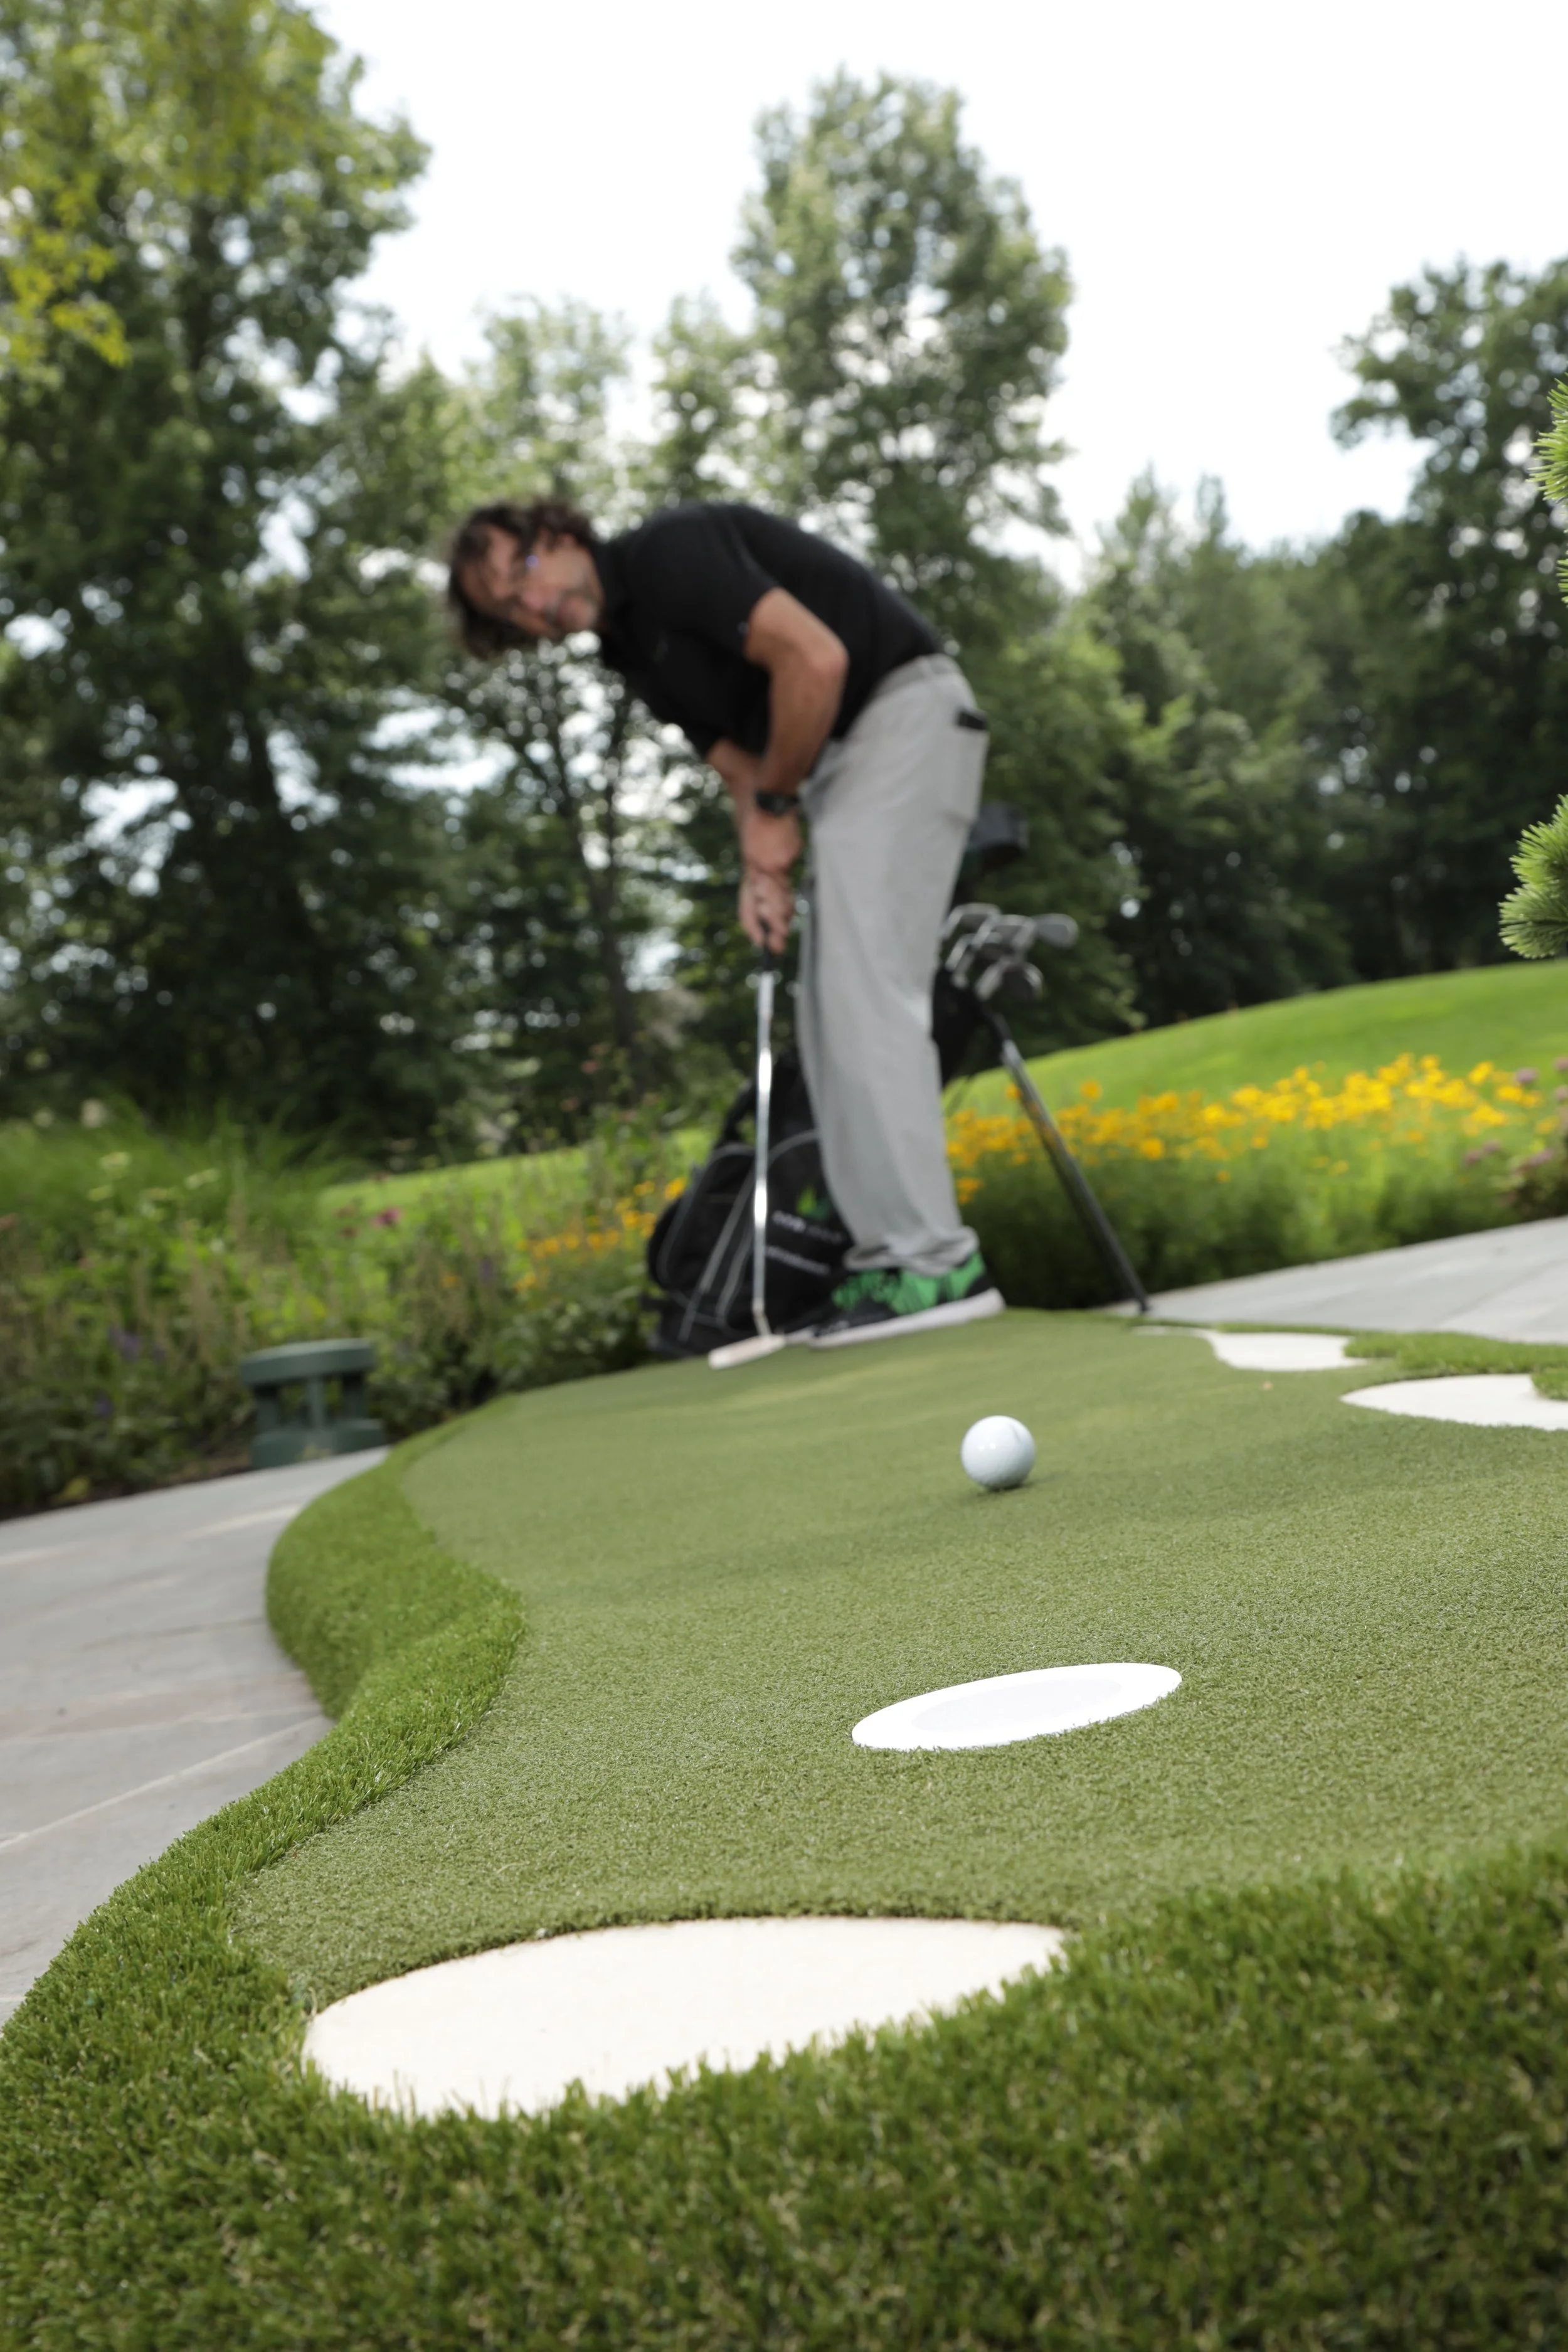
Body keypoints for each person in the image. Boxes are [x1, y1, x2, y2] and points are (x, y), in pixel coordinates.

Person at [446, 497, 1002, 1346]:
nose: (535, 611)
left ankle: (937, 1263)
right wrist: (760, 866)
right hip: (839, 768)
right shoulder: (627, 650)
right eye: (511, 615)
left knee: (866, 998)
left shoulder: (670, 553)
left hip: (902, 714)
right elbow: (741, 770)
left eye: (520, 579)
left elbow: (815, 662)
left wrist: (780, 805)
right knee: (826, 1020)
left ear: (555, 538)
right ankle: (891, 1259)